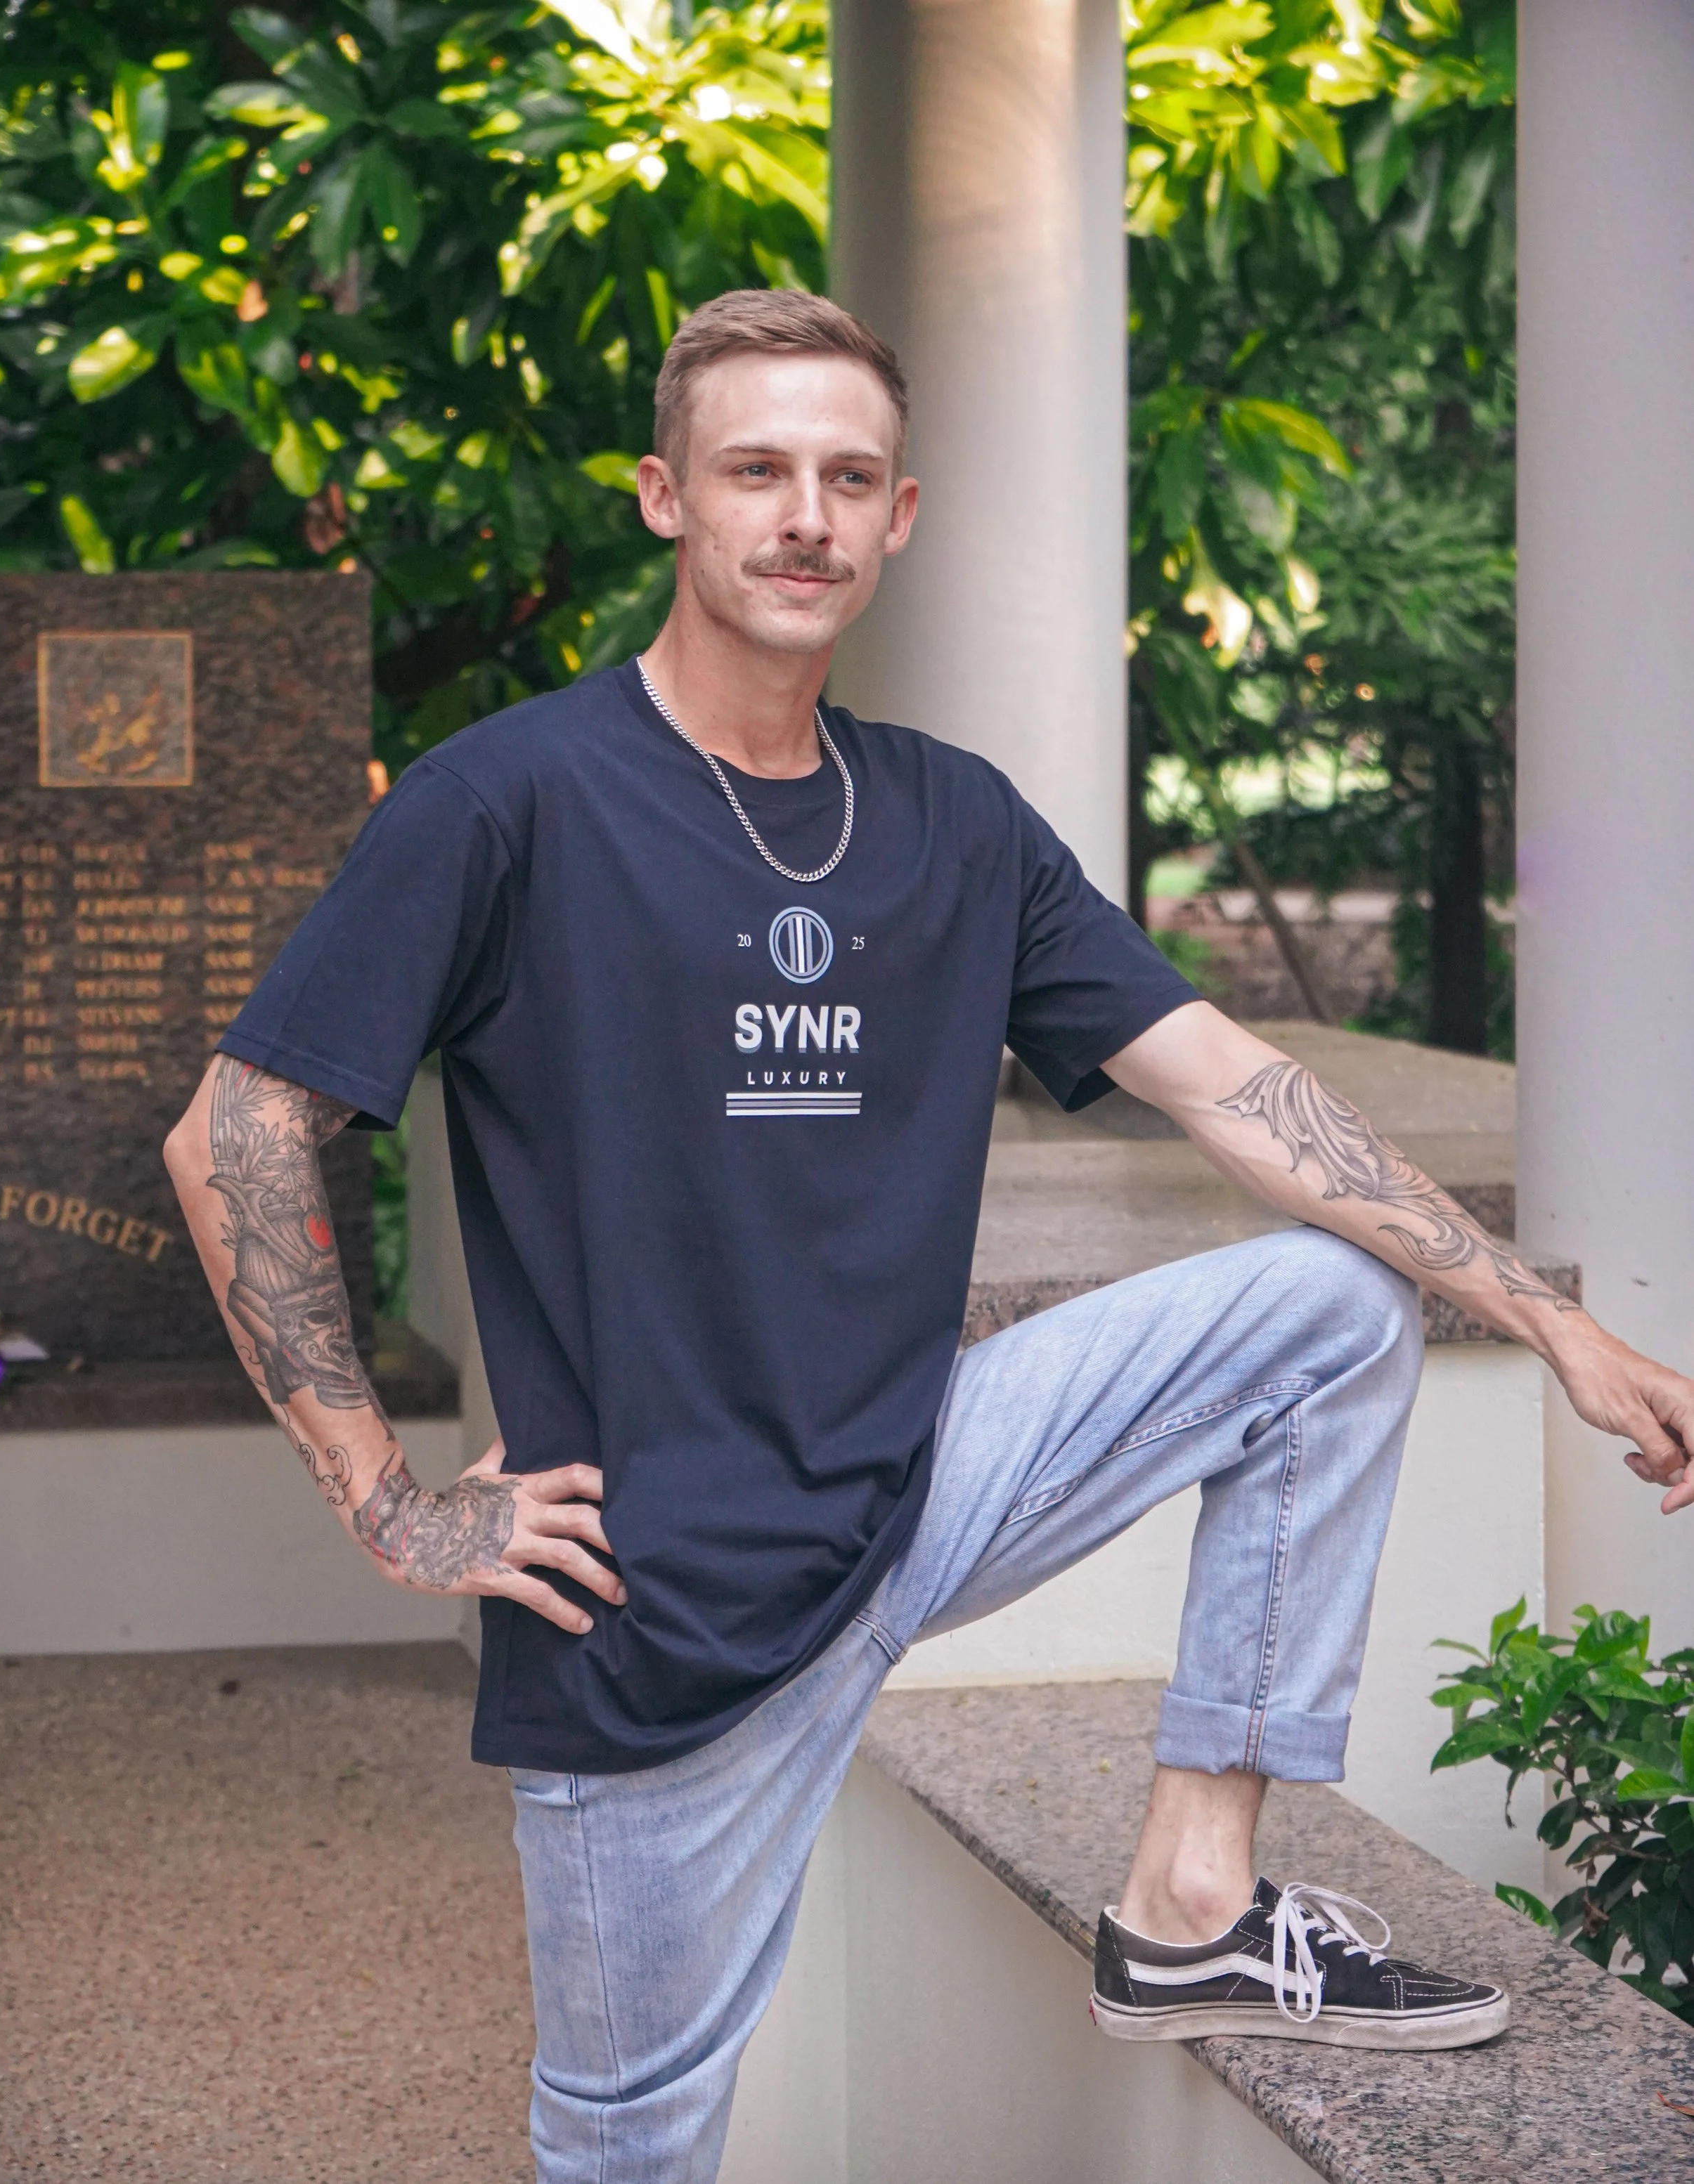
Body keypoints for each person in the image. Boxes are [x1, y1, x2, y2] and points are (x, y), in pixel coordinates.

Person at [165, 289, 1694, 2182]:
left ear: (901, 517)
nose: (802, 514)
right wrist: (390, 1501)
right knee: (630, 2142)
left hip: (918, 1481)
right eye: (755, 470)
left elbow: (1234, 1089)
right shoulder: (512, 797)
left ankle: (1193, 1897)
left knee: (1322, 1305)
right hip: (656, 1613)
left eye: (846, 476)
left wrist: (1549, 1327)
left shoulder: (951, 822)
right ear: (666, 497)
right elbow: (235, 1125)